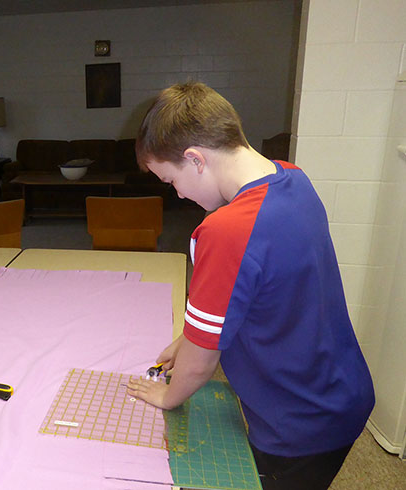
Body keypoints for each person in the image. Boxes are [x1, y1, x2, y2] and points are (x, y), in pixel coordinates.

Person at [126, 81, 374, 490]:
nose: (180, 194)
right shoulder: (293, 179)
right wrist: (190, 338)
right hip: (340, 387)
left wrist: (169, 397)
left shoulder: (226, 230)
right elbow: (254, 295)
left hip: (299, 421)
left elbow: (203, 362)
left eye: (171, 180)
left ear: (195, 159)